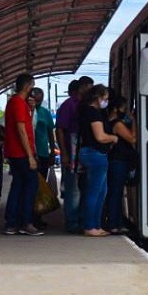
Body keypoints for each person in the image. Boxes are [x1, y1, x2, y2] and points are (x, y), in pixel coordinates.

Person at [2, 73, 44, 236]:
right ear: (28, 86)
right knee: (29, 187)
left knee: (18, 186)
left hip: (15, 152)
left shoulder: (16, 103)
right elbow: (22, 131)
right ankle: (25, 222)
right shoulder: (18, 103)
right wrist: (30, 156)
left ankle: (12, 223)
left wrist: (31, 109)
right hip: (21, 153)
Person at [77, 84, 119, 237]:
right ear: (97, 98)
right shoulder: (93, 113)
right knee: (95, 191)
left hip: (92, 154)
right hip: (95, 154)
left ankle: (96, 225)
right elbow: (100, 137)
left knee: (101, 191)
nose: (105, 102)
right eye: (105, 99)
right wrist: (114, 137)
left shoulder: (87, 111)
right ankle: (90, 226)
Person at [54, 76, 93, 233]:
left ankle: (82, 220)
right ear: (81, 88)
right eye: (88, 88)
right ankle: (72, 223)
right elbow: (60, 129)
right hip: (71, 154)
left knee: (84, 189)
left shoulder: (86, 106)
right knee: (73, 190)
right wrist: (64, 153)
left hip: (84, 154)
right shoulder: (69, 105)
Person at [104, 95, 136, 234]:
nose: (126, 112)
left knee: (115, 193)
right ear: (116, 109)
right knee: (115, 193)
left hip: (116, 160)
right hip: (118, 161)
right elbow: (132, 138)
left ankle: (116, 222)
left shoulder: (109, 121)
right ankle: (113, 223)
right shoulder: (117, 123)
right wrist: (135, 121)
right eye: (124, 108)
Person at [30, 87, 56, 179]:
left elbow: (50, 133)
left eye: (39, 100)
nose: (37, 102)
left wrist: (52, 152)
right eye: (36, 100)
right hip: (28, 153)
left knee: (42, 181)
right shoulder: (25, 111)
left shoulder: (45, 113)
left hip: (42, 153)